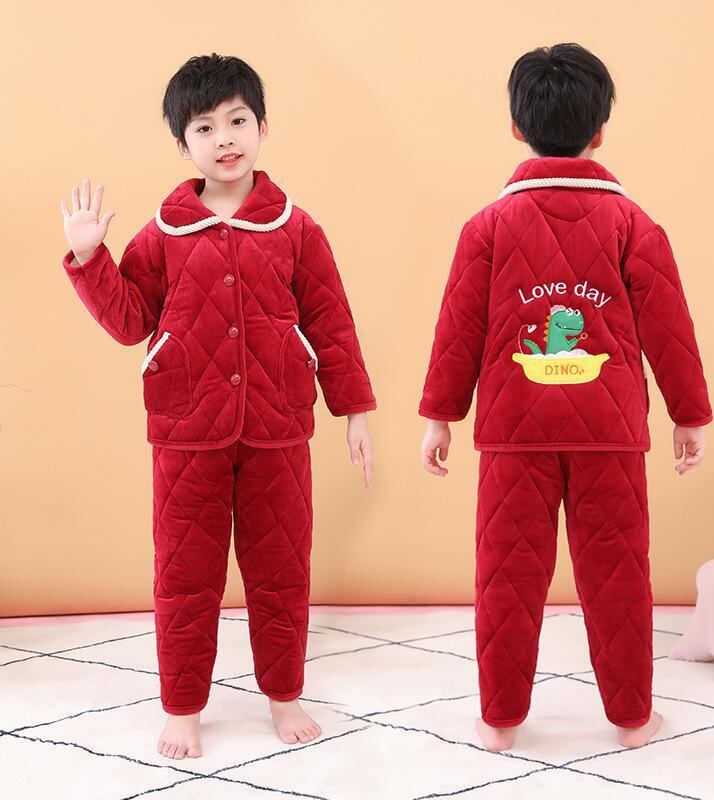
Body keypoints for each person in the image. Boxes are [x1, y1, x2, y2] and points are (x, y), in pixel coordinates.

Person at [59, 53, 377, 760]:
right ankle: (183, 707)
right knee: (184, 575)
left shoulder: (297, 229)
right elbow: (130, 321)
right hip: (185, 431)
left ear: (262, 127)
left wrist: (354, 411)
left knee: (282, 570)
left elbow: (332, 322)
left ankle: (285, 696)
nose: (224, 138)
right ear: (183, 144)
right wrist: (90, 258)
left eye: (237, 121)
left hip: (278, 427)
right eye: (204, 127)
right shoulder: (162, 234)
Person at [418, 43, 713, 753]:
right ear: (600, 130)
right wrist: (689, 415)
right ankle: (633, 720)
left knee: (506, 576)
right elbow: (670, 328)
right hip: (610, 433)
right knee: (619, 576)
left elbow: (458, 328)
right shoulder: (635, 224)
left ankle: (499, 722)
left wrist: (440, 417)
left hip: (512, 432)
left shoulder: (486, 227)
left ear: (517, 127)